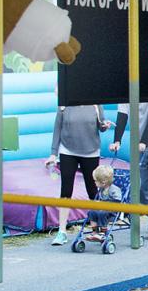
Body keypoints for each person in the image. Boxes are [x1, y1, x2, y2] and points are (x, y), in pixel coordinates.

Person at [45, 104, 111, 245]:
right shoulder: (65, 104)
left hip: (91, 150)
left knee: (92, 190)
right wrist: (53, 154)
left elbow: (101, 126)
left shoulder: (95, 104)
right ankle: (61, 232)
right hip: (67, 150)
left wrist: (105, 126)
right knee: (66, 190)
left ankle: (96, 229)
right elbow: (57, 128)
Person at [109, 102, 148, 241]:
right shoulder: (128, 89)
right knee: (140, 187)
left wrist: (144, 142)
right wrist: (117, 141)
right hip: (139, 144)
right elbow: (122, 116)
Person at [85, 163, 124, 234]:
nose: (94, 182)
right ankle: (94, 231)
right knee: (91, 212)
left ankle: (103, 232)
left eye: (95, 181)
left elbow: (117, 201)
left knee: (102, 213)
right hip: (103, 209)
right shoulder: (101, 189)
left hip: (113, 211)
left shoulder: (114, 190)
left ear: (103, 182)